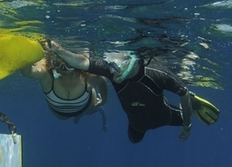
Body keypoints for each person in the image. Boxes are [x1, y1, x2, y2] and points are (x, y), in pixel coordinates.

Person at [50, 43, 219, 143]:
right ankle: (189, 105)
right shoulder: (111, 71)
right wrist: (58, 50)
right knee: (134, 140)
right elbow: (83, 62)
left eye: (116, 65)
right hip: (138, 124)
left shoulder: (156, 74)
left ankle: (193, 102)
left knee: (185, 106)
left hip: (165, 116)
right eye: (109, 64)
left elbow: (183, 92)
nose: (111, 70)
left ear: (130, 61)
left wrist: (187, 126)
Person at [21, 41, 108, 130]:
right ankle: (80, 115)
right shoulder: (46, 75)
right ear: (52, 62)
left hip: (85, 108)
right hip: (61, 114)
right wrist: (27, 51)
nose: (63, 68)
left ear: (75, 62)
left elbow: (101, 80)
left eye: (68, 64)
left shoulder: (87, 77)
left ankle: (81, 114)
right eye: (58, 63)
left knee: (91, 110)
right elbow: (27, 73)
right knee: (65, 118)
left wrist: (103, 101)